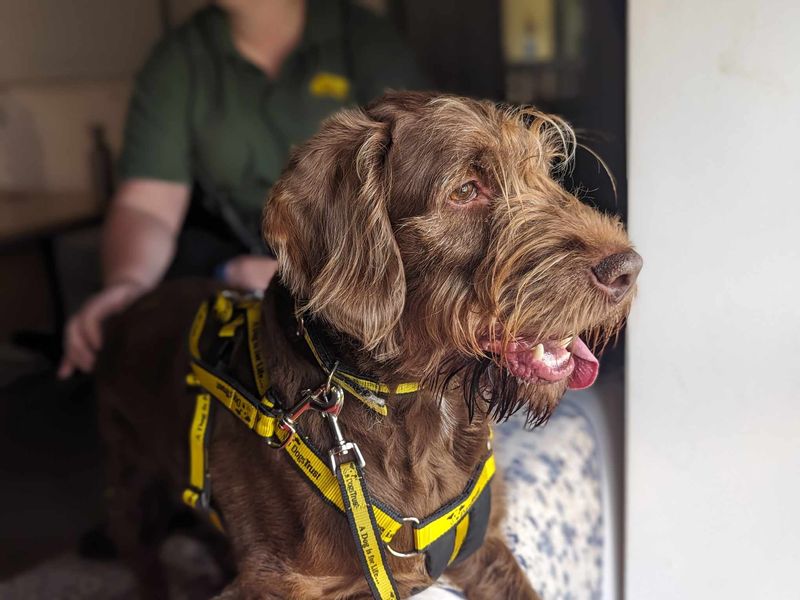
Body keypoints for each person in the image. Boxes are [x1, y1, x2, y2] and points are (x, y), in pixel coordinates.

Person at [58, 0, 424, 378]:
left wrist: (312, 276)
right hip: (238, 265)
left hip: (352, 262)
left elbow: (415, 189)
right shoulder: (180, 57)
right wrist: (129, 283)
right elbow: (147, 205)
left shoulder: (365, 39)